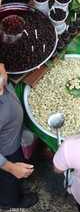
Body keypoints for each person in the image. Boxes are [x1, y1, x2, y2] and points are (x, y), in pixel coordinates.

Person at [0, 72, 38, 209]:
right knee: (8, 181)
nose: (2, 78)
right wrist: (11, 168)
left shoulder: (3, 82)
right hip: (6, 152)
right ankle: (9, 202)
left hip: (13, 135)